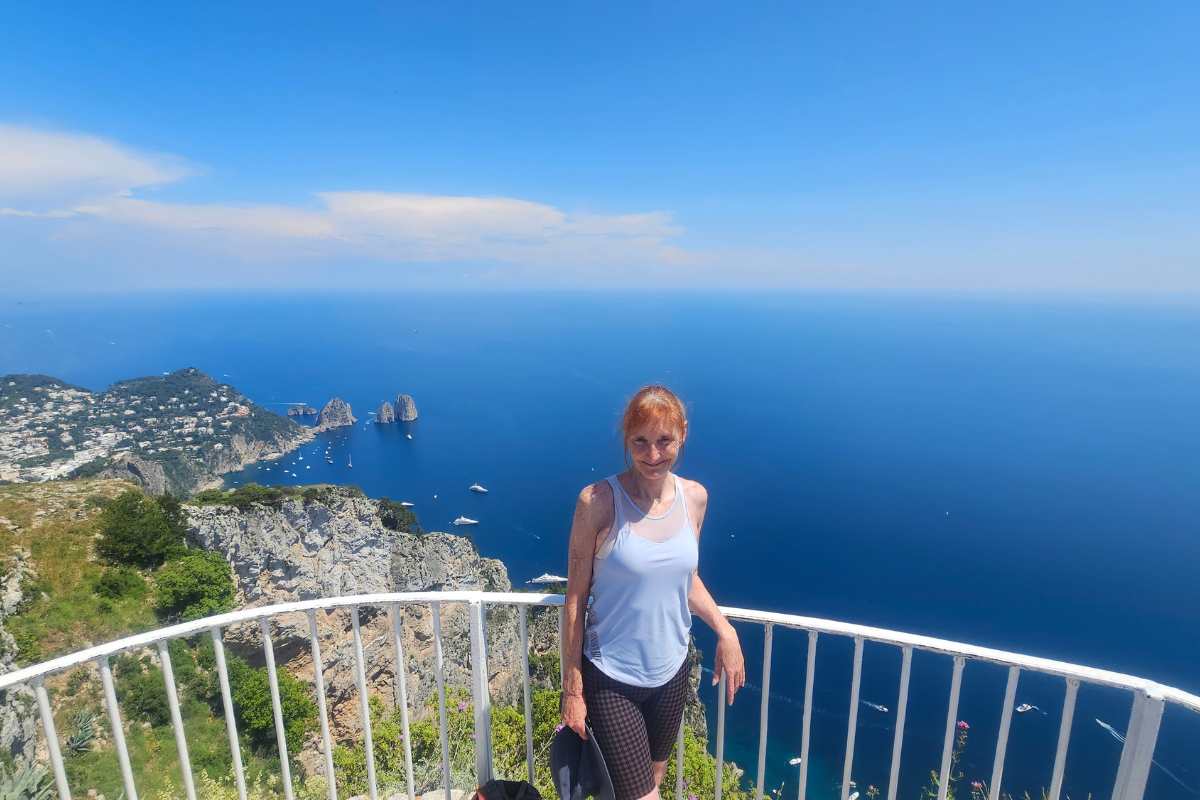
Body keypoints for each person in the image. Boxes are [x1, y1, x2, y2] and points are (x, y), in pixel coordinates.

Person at [561, 385, 746, 800]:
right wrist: (572, 689)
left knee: (652, 782)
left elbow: (686, 578)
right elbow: (575, 598)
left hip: (673, 672)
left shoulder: (694, 498)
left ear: (683, 435)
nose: (653, 454)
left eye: (664, 441)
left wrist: (725, 630)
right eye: (640, 441)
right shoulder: (598, 502)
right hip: (612, 677)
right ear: (626, 440)